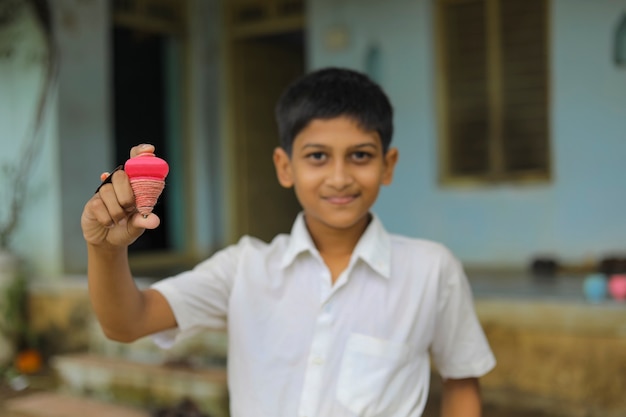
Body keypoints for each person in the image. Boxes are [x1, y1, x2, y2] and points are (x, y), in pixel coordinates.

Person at [81, 67, 496, 417]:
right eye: (317, 156)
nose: (339, 177)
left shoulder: (430, 270)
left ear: (388, 165)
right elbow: (126, 322)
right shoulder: (244, 269)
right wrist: (106, 248)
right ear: (284, 166)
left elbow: (461, 382)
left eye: (361, 155)